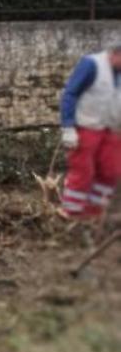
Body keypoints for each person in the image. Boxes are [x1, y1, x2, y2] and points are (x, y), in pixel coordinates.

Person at [58, 44, 121, 220]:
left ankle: (95, 211)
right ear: (116, 54)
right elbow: (70, 94)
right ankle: (71, 212)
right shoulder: (92, 65)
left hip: (111, 129)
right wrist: (68, 127)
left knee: (111, 170)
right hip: (86, 126)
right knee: (83, 170)